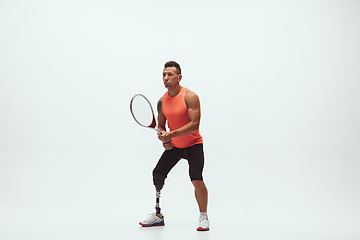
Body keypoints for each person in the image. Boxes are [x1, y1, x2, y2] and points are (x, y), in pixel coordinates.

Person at [139, 61, 210, 231]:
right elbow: (161, 126)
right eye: (163, 75)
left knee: (196, 179)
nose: (166, 78)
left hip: (193, 145)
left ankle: (203, 217)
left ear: (179, 77)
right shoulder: (162, 101)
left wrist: (170, 135)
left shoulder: (190, 97)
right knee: (158, 173)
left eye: (169, 74)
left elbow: (194, 125)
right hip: (175, 148)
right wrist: (164, 139)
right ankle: (158, 215)